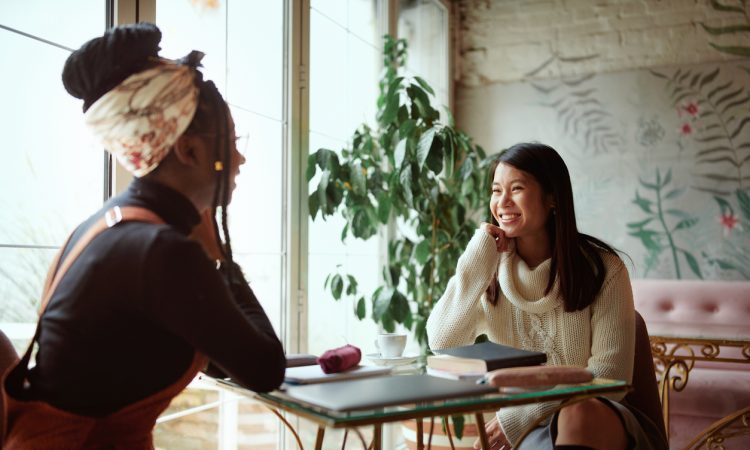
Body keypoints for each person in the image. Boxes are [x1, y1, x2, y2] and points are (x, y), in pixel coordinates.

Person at [1, 22, 286, 449]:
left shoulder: (106, 226)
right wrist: (220, 257)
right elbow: (265, 368)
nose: (241, 157)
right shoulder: (161, 251)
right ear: (188, 151)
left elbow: (222, 357)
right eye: (230, 141)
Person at [426, 143, 667, 450]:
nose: (502, 202)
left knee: (578, 412)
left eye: (516, 188)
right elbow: (442, 341)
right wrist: (477, 253)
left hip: (605, 422)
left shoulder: (605, 270)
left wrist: (522, 416)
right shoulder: (488, 274)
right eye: (496, 190)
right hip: (529, 432)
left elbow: (609, 379)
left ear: (552, 197)